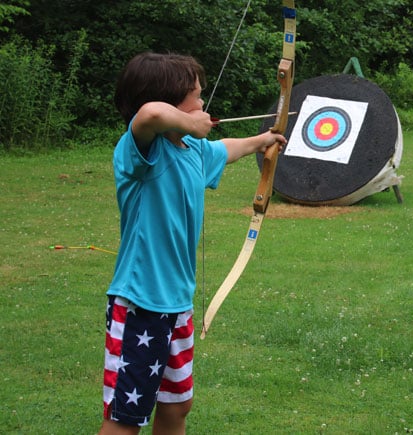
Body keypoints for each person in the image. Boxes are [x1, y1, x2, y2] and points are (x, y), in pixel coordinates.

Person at [99, 52, 286, 434]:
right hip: (141, 303)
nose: (203, 105)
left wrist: (263, 140)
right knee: (126, 417)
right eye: (195, 97)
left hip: (177, 303)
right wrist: (191, 123)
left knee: (177, 404)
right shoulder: (141, 153)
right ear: (170, 102)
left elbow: (225, 148)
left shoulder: (193, 150)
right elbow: (150, 114)